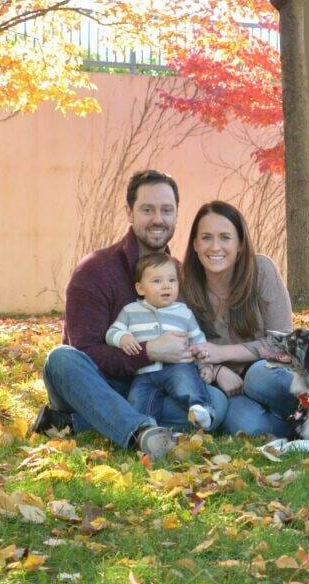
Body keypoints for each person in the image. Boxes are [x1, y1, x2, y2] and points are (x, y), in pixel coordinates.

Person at [29, 170, 228, 459]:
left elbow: (190, 339)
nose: (158, 219)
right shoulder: (95, 269)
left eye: (167, 210)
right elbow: (85, 351)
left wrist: (209, 366)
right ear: (129, 213)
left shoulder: (178, 276)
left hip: (153, 388)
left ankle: (72, 424)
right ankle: (140, 432)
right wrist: (149, 352)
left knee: (217, 404)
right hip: (95, 385)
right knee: (60, 358)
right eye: (147, 210)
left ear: (176, 215)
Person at [182, 201, 297, 437]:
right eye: (206, 237)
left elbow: (284, 345)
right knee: (246, 425)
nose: (215, 247)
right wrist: (216, 371)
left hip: (271, 373)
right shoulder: (184, 287)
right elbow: (182, 349)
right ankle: (305, 429)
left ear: (240, 244)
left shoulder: (261, 270)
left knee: (258, 377)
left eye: (225, 237)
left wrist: (223, 353)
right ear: (195, 244)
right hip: (228, 387)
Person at [105, 253, 216, 430]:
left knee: (187, 383)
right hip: (144, 372)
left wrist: (205, 365)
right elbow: (112, 332)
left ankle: (201, 410)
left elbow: (199, 341)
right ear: (140, 288)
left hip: (177, 366)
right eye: (157, 281)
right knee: (138, 399)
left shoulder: (184, 313)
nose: (166, 286)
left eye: (172, 280)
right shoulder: (130, 311)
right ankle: (145, 429)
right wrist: (123, 338)